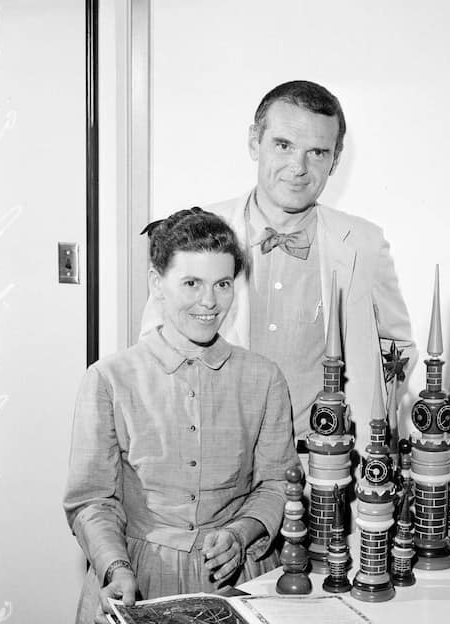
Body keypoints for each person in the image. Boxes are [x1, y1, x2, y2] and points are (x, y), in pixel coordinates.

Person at [65, 208, 297, 624]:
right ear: (158, 283)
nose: (209, 302)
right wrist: (116, 569)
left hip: (237, 581)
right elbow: (91, 499)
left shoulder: (265, 378)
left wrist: (243, 531)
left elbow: (276, 484)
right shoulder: (109, 379)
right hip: (137, 580)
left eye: (223, 284)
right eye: (191, 283)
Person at [140, 80, 416, 451]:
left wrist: (367, 421)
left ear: (335, 158)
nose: (298, 167)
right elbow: (154, 343)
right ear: (255, 141)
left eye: (317, 152)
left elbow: (396, 348)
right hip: (216, 462)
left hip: (325, 468)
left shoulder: (364, 244)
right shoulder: (198, 232)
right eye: (283, 145)